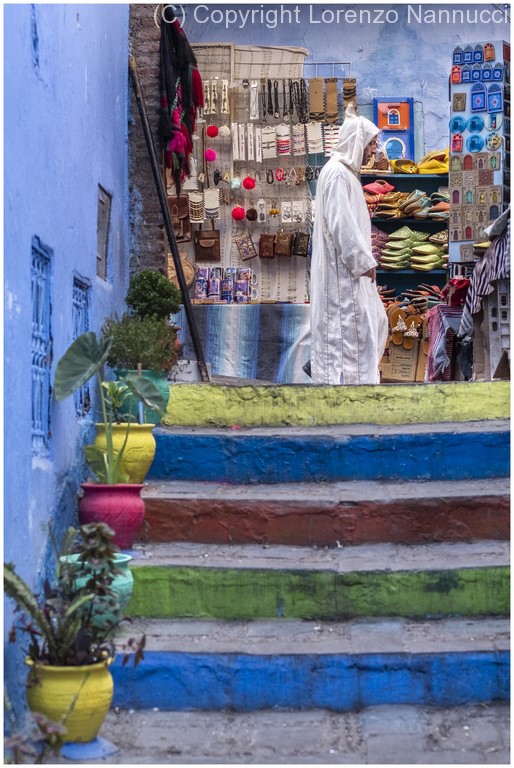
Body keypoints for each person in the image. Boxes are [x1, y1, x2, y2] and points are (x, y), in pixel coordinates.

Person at [309, 104, 388, 385]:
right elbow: (342, 225)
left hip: (352, 273)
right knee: (347, 338)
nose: (373, 151)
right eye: (370, 144)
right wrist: (363, 262)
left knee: (371, 328)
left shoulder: (346, 175)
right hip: (343, 275)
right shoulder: (337, 174)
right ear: (358, 142)